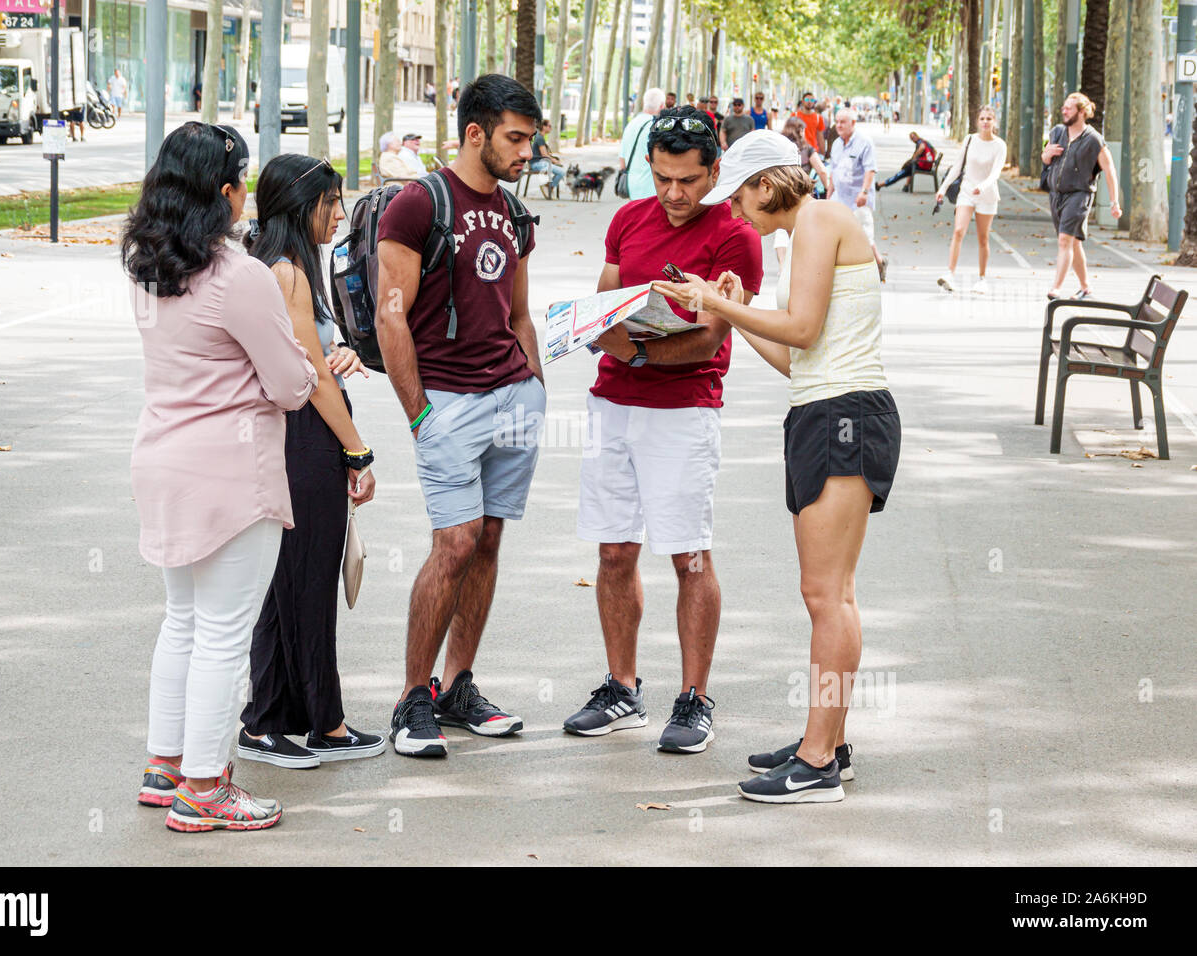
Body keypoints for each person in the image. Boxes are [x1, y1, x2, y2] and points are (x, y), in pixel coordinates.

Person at [651, 129, 900, 803]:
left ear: (768, 183)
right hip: (830, 409)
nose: (736, 215)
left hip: (843, 417)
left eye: (740, 198)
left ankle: (818, 761)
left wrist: (716, 302)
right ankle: (828, 743)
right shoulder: (815, 227)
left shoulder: (818, 218)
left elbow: (803, 329)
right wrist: (737, 316)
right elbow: (798, 355)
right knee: (832, 595)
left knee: (826, 597)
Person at [122, 123, 318, 831]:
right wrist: (310, 361)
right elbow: (293, 385)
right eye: (241, 182)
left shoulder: (148, 265)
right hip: (230, 475)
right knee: (224, 635)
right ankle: (205, 790)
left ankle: (165, 767)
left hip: (163, 463)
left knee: (183, 622)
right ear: (227, 192)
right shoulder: (240, 276)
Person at [562, 106, 764, 754]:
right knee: (614, 551)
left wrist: (643, 353)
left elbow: (711, 338)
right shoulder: (627, 219)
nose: (674, 195)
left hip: (683, 408)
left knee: (689, 553)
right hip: (613, 403)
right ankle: (622, 688)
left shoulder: (736, 235)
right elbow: (604, 301)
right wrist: (599, 331)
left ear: (715, 172)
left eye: (688, 181)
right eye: (662, 179)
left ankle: (695, 698)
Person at [375, 74, 547, 758]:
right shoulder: (419, 205)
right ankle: (412, 698)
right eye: (515, 137)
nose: (526, 151)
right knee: (454, 543)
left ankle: (458, 687)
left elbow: (520, 311)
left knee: (489, 541)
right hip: (447, 402)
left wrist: (534, 383)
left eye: (531, 139)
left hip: (513, 397)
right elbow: (393, 319)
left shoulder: (514, 211)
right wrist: (419, 416)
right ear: (474, 132)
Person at [236, 154, 386, 770]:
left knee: (284, 583)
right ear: (304, 207)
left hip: (291, 430)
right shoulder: (288, 273)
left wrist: (340, 349)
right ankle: (323, 723)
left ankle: (267, 720)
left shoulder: (275, 265)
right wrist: (358, 449)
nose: (340, 214)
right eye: (331, 202)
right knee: (310, 581)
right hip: (305, 433)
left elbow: (316, 353)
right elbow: (311, 376)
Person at [1040, 92, 1123, 300]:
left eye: (1069, 108)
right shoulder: (1057, 132)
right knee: (1074, 242)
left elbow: (1110, 170)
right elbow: (1045, 159)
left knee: (1064, 240)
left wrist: (1114, 202)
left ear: (1082, 112)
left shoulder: (1094, 139)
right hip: (1056, 195)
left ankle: (1056, 288)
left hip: (1079, 195)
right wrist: (1046, 155)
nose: (1064, 110)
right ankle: (1086, 286)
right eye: (1064, 107)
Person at [934, 105, 1007, 294]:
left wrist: (982, 186)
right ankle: (950, 274)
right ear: (977, 121)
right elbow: (957, 167)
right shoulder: (969, 140)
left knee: (983, 239)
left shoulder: (999, 145)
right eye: (982, 118)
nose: (985, 122)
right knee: (958, 231)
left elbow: (996, 173)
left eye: (989, 119)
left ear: (994, 122)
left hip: (987, 195)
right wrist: (942, 188)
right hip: (966, 191)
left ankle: (982, 279)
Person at [829, 107, 885, 281]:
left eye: (843, 122)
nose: (839, 125)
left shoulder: (864, 142)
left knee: (865, 236)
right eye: (837, 122)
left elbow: (870, 169)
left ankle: (879, 262)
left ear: (853, 123)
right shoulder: (837, 144)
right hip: (840, 197)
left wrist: (864, 192)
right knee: (837, 234)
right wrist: (829, 194)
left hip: (858, 198)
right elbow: (833, 170)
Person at [774, 116, 831, 268]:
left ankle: (783, 265)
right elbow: (822, 171)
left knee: (781, 230)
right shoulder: (807, 150)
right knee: (803, 228)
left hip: (782, 195)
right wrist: (828, 190)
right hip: (802, 197)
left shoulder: (779, 149)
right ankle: (801, 263)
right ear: (800, 131)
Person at [618, 87, 663, 201]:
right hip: (651, 190)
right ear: (662, 106)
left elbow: (622, 162)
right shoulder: (656, 128)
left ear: (644, 103)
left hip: (632, 188)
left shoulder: (631, 125)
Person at [529, 117, 566, 198]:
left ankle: (548, 186)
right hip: (538, 164)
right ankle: (548, 187)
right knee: (562, 172)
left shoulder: (539, 136)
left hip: (539, 163)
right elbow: (544, 155)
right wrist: (554, 161)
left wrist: (553, 160)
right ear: (544, 127)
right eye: (549, 126)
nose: (551, 128)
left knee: (560, 171)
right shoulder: (539, 138)